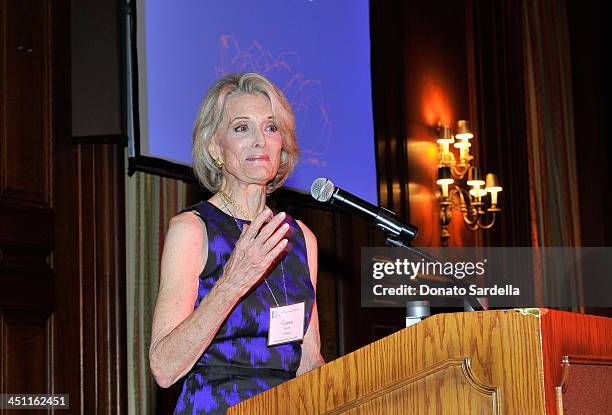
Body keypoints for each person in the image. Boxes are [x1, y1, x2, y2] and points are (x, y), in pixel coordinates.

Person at [149, 73, 325, 414]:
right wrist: (232, 282)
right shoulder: (192, 230)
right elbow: (164, 368)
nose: (260, 141)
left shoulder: (302, 238)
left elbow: (308, 360)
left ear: (282, 145)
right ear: (215, 148)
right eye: (242, 128)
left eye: (271, 128)